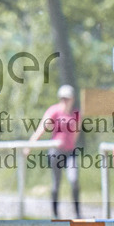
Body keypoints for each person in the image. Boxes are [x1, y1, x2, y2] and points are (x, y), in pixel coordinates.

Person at [24, 84, 82, 218]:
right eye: (62, 98)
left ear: (72, 99)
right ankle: (56, 214)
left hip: (70, 152)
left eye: (67, 98)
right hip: (56, 152)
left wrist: (71, 144)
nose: (64, 101)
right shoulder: (54, 111)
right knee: (56, 183)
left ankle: (78, 213)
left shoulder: (76, 114)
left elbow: (76, 132)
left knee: (74, 180)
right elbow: (41, 129)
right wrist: (29, 146)